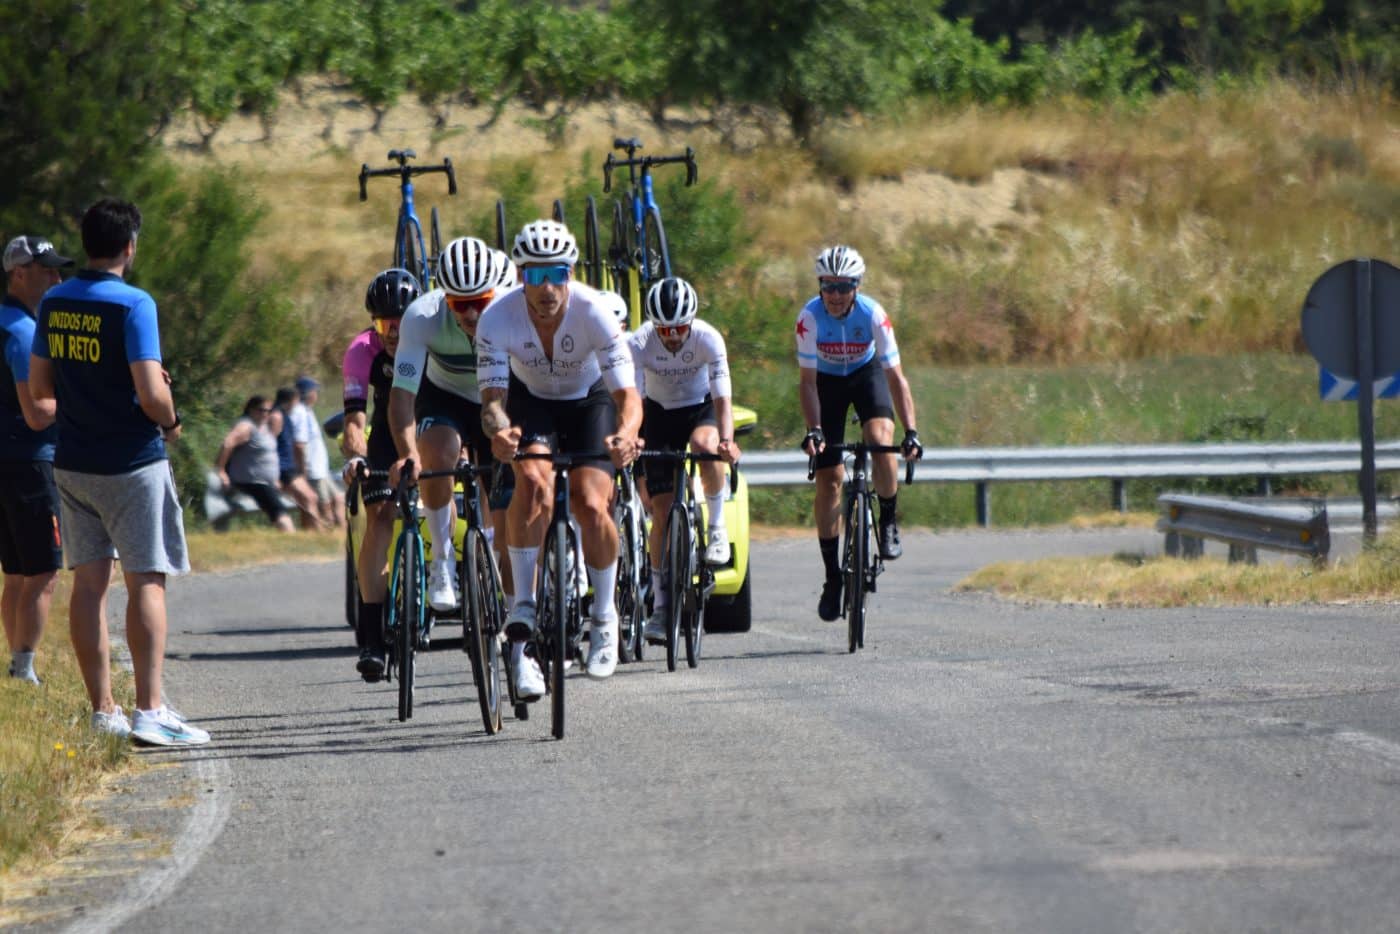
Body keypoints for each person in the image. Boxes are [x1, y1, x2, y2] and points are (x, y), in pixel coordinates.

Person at [28, 197, 210, 746]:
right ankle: (150, 711)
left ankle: (102, 709)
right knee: (145, 579)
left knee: (88, 585)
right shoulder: (134, 304)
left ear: (85, 243)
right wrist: (171, 419)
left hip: (73, 463)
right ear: (130, 246)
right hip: (131, 463)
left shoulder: (54, 301)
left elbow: (40, 389)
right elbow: (152, 393)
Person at [477, 219, 642, 696]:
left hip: (590, 401)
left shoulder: (594, 313)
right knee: (531, 481)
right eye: (534, 275)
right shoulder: (497, 318)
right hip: (533, 403)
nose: (546, 287)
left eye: (557, 274)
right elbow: (491, 400)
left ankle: (605, 615)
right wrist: (500, 430)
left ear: (570, 274)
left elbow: (628, 395)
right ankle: (524, 605)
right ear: (520, 276)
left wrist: (628, 434)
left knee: (591, 503)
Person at [796, 245, 923, 622]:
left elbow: (896, 379)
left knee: (881, 438)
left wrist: (912, 431)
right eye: (828, 286)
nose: (834, 295)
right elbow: (806, 383)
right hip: (827, 385)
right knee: (829, 479)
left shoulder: (873, 316)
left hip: (866, 377)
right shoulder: (809, 318)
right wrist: (814, 430)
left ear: (856, 286)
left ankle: (887, 521)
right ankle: (832, 576)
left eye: (843, 287)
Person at [388, 236, 508, 613]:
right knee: (437, 455)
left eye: (480, 303)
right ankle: (442, 561)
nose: (472, 315)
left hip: (501, 394)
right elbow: (403, 396)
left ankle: (493, 548)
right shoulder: (422, 316)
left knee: (504, 476)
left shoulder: (513, 309)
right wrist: (409, 455)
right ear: (445, 299)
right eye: (461, 305)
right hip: (446, 394)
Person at [629, 278, 740, 645]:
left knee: (704, 444)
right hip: (658, 414)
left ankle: (717, 529)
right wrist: (634, 439)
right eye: (665, 329)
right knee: (660, 513)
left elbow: (723, 398)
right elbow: (633, 400)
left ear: (691, 322)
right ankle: (660, 607)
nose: (673, 336)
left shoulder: (708, 338)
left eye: (679, 328)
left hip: (700, 409)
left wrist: (727, 441)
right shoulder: (639, 343)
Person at [342, 268, 420, 680]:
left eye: (401, 320)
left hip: (430, 427)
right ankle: (371, 636)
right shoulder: (362, 350)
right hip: (387, 437)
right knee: (379, 519)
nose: (392, 331)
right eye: (382, 321)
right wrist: (356, 456)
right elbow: (355, 419)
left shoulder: (430, 342)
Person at [0, 235, 71, 684]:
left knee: (15, 573)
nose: (57, 279)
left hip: (6, 462)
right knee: (43, 570)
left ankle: (15, 664)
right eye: (47, 272)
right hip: (29, 464)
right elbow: (39, 412)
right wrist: (82, 401)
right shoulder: (25, 332)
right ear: (19, 274)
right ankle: (24, 666)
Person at [214, 395, 294, 532]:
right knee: (282, 516)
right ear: (250, 409)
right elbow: (227, 443)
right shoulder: (246, 426)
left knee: (281, 511)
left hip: (265, 483)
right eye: (261, 410)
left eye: (268, 411)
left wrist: (274, 480)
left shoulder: (263, 427)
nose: (265, 414)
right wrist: (221, 470)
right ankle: (292, 545)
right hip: (252, 482)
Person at [293, 375, 345, 530]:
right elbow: (299, 445)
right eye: (314, 391)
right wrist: (303, 471)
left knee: (338, 498)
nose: (316, 394)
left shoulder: (308, 412)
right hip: (313, 470)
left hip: (321, 469)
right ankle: (325, 535)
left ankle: (342, 532)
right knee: (325, 505)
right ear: (307, 393)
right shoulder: (300, 413)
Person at [272, 385, 323, 529]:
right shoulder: (276, 416)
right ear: (292, 400)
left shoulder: (285, 415)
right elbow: (270, 445)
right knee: (308, 498)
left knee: (310, 498)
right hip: (282, 468)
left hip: (289, 466)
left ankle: (311, 532)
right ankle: (317, 532)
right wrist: (274, 475)